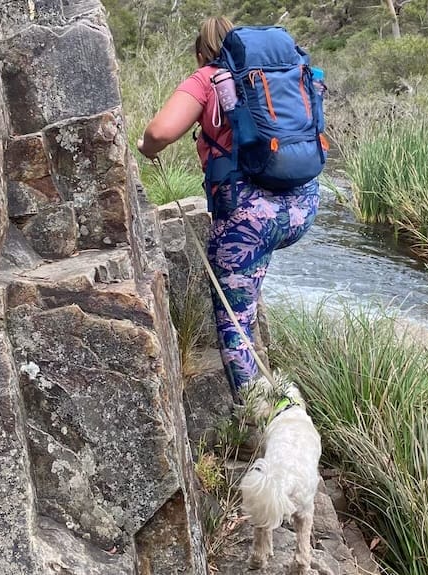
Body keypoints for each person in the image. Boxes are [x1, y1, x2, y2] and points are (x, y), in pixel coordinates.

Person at [137, 16, 320, 395]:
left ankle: (254, 412)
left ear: (203, 51)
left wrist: (145, 149)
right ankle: (267, 377)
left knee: (234, 323)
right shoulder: (281, 72)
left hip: (248, 219)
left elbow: (160, 132)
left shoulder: (208, 77)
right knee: (251, 276)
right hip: (302, 206)